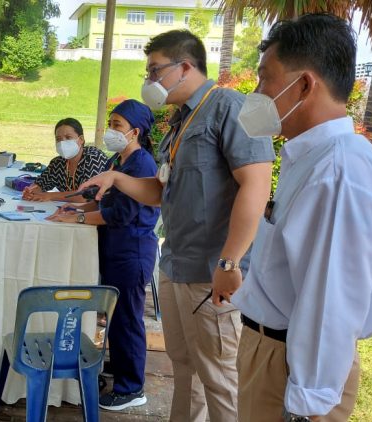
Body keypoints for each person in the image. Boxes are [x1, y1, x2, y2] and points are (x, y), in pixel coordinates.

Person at [78, 30, 275, 421]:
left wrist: (229, 263)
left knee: (220, 378)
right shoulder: (179, 122)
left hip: (212, 274)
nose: (149, 81)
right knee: (185, 366)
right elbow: (158, 191)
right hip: (175, 265)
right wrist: (116, 179)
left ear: (185, 67)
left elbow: (256, 183)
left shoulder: (230, 108)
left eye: (155, 71)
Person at [231, 14, 372, 422]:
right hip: (272, 355)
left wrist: (307, 406)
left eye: (266, 79)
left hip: (291, 371)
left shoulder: (339, 174)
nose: (257, 92)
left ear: (303, 85)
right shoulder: (312, 159)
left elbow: (330, 304)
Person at [48, 100, 160, 411]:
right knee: (114, 315)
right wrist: (75, 208)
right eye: (110, 123)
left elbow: (120, 214)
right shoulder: (119, 159)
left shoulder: (141, 165)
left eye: (117, 125)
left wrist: (79, 218)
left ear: (135, 132)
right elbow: (101, 199)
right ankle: (122, 365)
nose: (110, 131)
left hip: (132, 251)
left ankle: (131, 388)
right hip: (115, 249)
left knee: (127, 319)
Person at [22, 118, 109, 201]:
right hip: (69, 211)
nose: (62, 143)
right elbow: (40, 185)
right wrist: (30, 192)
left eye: (68, 137)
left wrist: (50, 196)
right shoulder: (58, 163)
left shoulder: (94, 157)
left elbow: (86, 196)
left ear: (81, 139)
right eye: (58, 139)